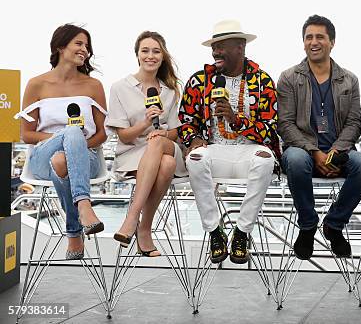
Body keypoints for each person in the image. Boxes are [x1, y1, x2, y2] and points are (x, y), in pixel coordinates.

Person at [179, 20, 279, 264]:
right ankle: (215, 232)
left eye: (222, 46)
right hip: (215, 150)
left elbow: (270, 131)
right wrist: (195, 139)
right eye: (214, 47)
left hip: (250, 151)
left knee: (266, 161)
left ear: (240, 47)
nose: (216, 52)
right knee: (194, 159)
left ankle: (242, 233)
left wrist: (236, 120)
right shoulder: (199, 81)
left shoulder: (263, 81)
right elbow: (185, 121)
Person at [278, 15, 361, 260]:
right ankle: (308, 225)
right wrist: (315, 152)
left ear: (332, 42)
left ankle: (334, 224)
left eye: (320, 37)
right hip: (303, 152)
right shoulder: (289, 78)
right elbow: (285, 123)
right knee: (297, 160)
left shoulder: (349, 80)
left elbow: (354, 121)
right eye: (309, 37)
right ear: (303, 43)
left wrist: (334, 153)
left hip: (339, 153)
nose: (314, 42)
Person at [16, 24, 107, 260]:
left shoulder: (93, 86)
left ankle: (74, 234)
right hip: (42, 158)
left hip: (86, 158)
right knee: (70, 134)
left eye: (87, 46)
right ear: (60, 46)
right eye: (79, 43)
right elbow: (27, 134)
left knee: (63, 157)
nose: (84, 50)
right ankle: (84, 208)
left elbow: (101, 134)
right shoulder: (37, 84)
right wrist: (67, 138)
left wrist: (73, 146)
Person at [107, 31, 187, 256]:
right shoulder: (119, 88)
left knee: (160, 145)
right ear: (137, 55)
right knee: (167, 164)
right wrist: (145, 123)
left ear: (162, 56)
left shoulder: (170, 91)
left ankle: (131, 217)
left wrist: (161, 133)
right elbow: (124, 136)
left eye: (156, 51)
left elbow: (175, 133)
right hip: (133, 151)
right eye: (145, 50)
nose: (150, 56)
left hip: (165, 144)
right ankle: (144, 229)